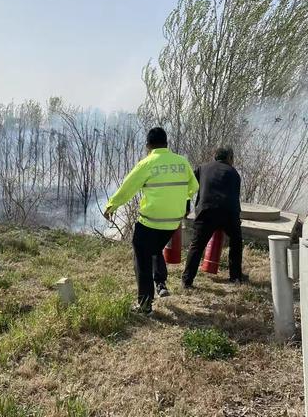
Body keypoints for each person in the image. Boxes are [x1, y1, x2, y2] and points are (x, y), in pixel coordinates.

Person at [104, 127, 199, 315]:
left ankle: (145, 305)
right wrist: (184, 202)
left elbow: (127, 187)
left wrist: (112, 205)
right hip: (173, 223)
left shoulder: (147, 163)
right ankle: (160, 284)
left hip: (150, 221)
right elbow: (194, 186)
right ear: (166, 143)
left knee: (142, 257)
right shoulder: (182, 162)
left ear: (148, 145)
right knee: (155, 249)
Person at [182, 146, 245, 289]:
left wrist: (186, 207)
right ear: (230, 158)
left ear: (214, 156)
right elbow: (235, 199)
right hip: (229, 213)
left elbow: (188, 186)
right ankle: (235, 277)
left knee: (197, 246)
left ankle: (187, 281)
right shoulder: (234, 173)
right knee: (236, 242)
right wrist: (236, 219)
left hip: (206, 211)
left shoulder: (203, 168)